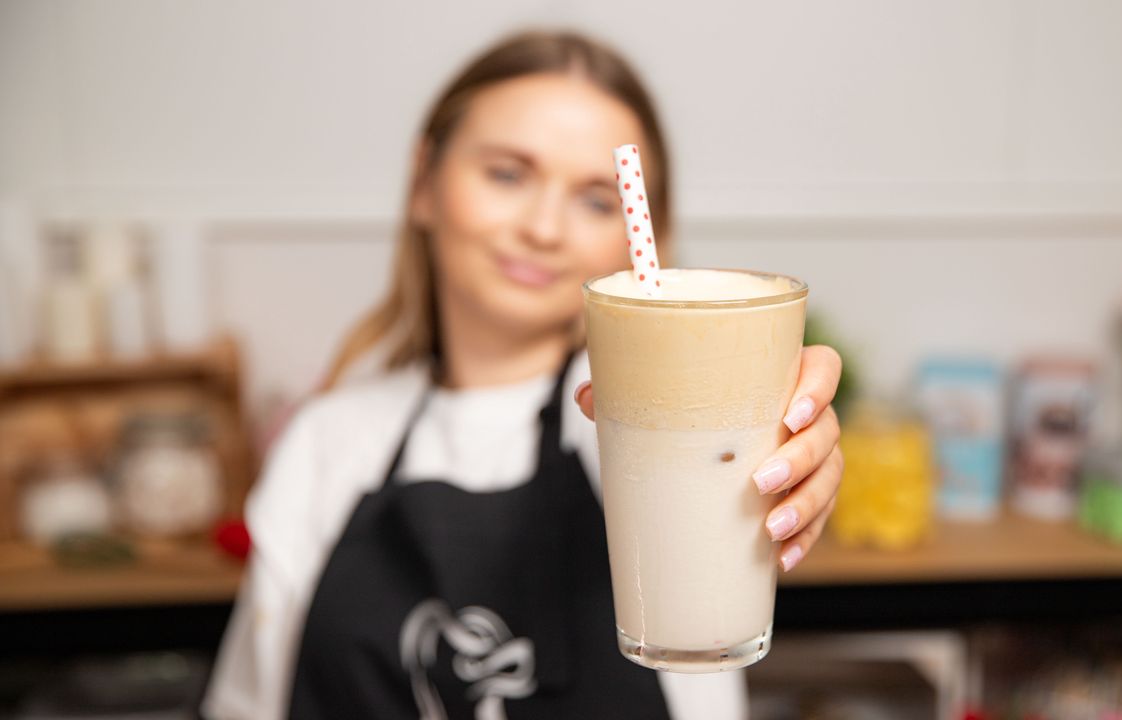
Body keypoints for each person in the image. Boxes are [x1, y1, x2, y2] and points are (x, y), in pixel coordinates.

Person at [203, 29, 844, 720]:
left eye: (598, 199)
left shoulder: (626, 431)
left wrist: (775, 429)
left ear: (639, 235)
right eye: (508, 173)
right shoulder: (326, 444)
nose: (543, 227)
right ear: (425, 182)